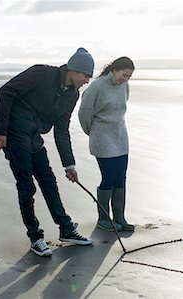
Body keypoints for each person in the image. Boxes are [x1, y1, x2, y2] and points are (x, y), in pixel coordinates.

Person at [0, 48, 94, 257]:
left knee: (48, 181)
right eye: (86, 75)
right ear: (74, 70)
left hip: (34, 138)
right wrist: (1, 131)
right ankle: (35, 237)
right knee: (26, 186)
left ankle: (66, 229)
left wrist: (69, 165)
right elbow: (7, 91)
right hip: (15, 134)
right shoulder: (42, 74)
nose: (87, 80)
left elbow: (62, 129)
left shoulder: (72, 95)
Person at [78, 56, 135, 232]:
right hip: (102, 139)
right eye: (124, 75)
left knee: (121, 177)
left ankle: (120, 218)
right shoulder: (97, 86)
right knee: (108, 178)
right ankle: (103, 220)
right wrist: (94, 133)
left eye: (129, 77)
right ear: (115, 70)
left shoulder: (124, 86)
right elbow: (84, 113)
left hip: (120, 137)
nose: (125, 80)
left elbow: (121, 109)